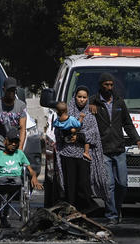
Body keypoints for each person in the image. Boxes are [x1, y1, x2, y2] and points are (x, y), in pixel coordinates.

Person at [90, 73, 140, 225]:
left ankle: (117, 207)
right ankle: (112, 215)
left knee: (122, 184)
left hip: (119, 148)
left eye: (111, 85)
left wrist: (137, 139)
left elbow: (127, 123)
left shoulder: (119, 102)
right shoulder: (93, 102)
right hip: (103, 150)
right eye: (106, 85)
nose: (109, 88)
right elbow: (80, 112)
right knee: (108, 185)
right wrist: (89, 107)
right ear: (101, 85)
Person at [54, 86, 107, 214]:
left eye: (84, 97)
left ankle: (85, 211)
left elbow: (94, 134)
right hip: (67, 153)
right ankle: (70, 211)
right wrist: (66, 134)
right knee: (70, 185)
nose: (82, 100)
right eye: (79, 97)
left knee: (83, 184)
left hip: (84, 155)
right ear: (75, 97)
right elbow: (58, 130)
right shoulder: (67, 112)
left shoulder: (90, 115)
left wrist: (80, 137)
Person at [0, 128, 42, 228]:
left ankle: (5, 216)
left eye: (16, 142)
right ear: (5, 141)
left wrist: (34, 177)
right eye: (11, 141)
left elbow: (30, 169)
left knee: (13, 189)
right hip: (0, 182)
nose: (14, 144)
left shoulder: (20, 154)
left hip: (15, 182)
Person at [0, 77, 28, 154]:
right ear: (3, 89)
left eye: (13, 90)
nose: (11, 93)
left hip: (14, 145)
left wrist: (20, 147)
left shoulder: (21, 106)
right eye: (9, 90)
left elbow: (22, 128)